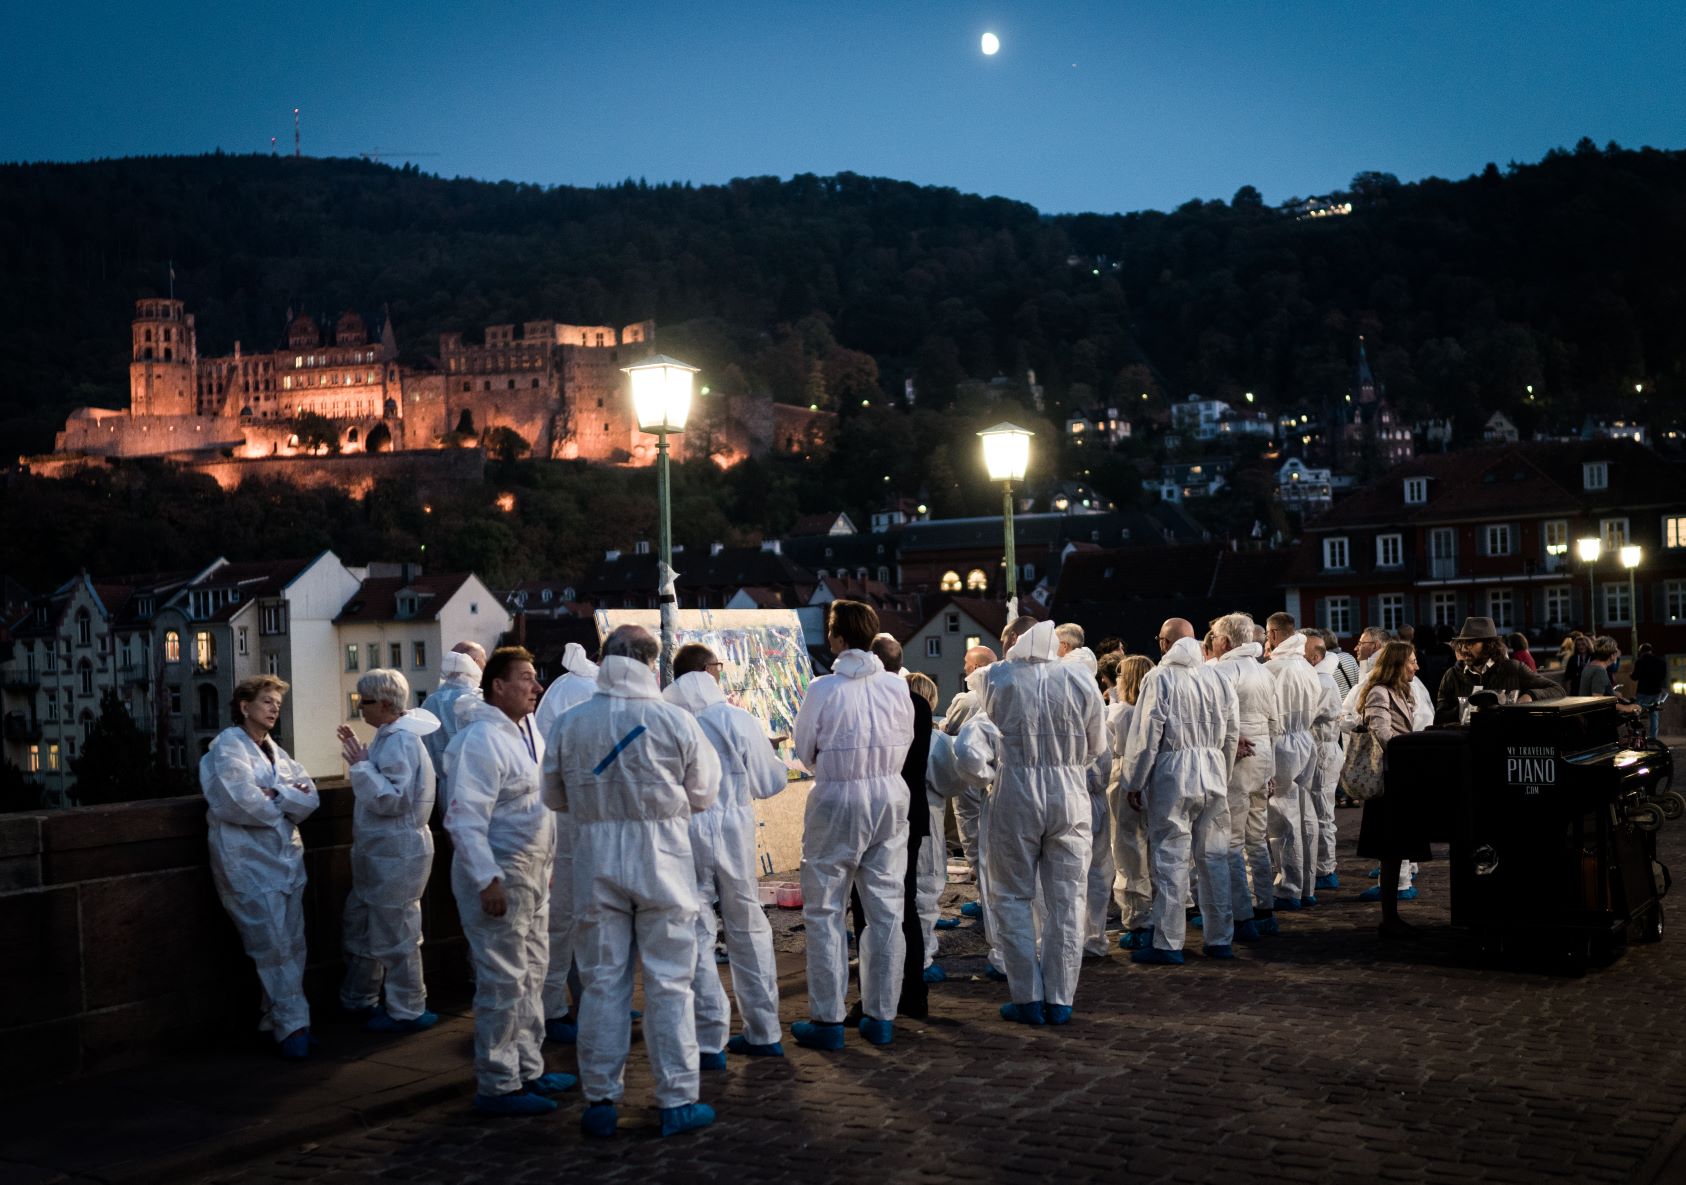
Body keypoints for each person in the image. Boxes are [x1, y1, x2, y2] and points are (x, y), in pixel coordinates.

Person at [549, 625, 722, 1138]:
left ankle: (600, 1099)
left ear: (604, 659)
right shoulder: (675, 720)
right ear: (653, 663)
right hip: (663, 857)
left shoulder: (570, 722)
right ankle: (676, 1099)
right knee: (670, 981)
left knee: (602, 982)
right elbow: (705, 793)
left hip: (593, 856)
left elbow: (554, 796)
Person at [443, 646, 568, 1117]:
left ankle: (529, 1067)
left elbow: (537, 808)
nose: (536, 687)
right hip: (501, 874)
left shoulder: (527, 729)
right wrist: (487, 879)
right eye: (527, 678)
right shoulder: (482, 739)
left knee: (532, 974)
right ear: (498, 685)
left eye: (536, 679)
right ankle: (498, 1082)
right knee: (502, 980)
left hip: (532, 874)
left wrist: (548, 866)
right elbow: (465, 819)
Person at [791, 600, 915, 1050]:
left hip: (837, 797)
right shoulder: (896, 687)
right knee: (885, 909)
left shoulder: (823, 688)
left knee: (824, 909)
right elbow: (907, 738)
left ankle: (827, 1019)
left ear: (837, 637)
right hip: (888, 795)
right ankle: (881, 1015)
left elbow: (805, 751)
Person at [663, 647, 789, 1062]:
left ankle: (708, 1037)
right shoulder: (735, 717)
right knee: (747, 922)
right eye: (719, 667)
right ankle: (764, 1030)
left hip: (683, 826)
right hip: (732, 823)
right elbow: (770, 782)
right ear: (706, 670)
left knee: (694, 926)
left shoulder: (665, 717)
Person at [982, 619, 1106, 1018]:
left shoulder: (997, 677)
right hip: (1069, 791)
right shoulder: (1079, 678)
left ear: (1013, 640)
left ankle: (1027, 996)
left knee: (1013, 895)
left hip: (1016, 790)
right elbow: (1098, 745)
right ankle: (1060, 998)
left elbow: (982, 734)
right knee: (1068, 898)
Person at [200, 675, 319, 1058]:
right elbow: (239, 802)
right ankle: (294, 1026)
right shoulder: (226, 750)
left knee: (292, 944)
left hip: (285, 861)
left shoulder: (274, 751)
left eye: (277, 704)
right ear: (244, 706)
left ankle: (276, 1018)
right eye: (267, 701)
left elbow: (310, 798)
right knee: (271, 946)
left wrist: (276, 794)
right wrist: (286, 798)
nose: (274, 708)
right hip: (247, 863)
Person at [1118, 619, 1239, 965]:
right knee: (1214, 858)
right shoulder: (1218, 676)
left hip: (1174, 772)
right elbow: (1232, 732)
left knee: (1170, 857)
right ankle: (1220, 939)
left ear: (1165, 642)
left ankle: (1169, 941)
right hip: (1213, 768)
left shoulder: (1160, 677)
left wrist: (1135, 781)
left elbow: (1147, 734)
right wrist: (1224, 771)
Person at [337, 668, 441, 1034]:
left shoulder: (400, 741)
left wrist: (361, 766)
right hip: (384, 851)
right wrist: (364, 761)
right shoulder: (391, 736)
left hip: (396, 852)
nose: (360, 709)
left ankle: (407, 1008)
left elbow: (393, 799)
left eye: (363, 702)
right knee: (369, 927)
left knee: (397, 933)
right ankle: (364, 998)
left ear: (384, 703)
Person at [534, 639, 603, 1045]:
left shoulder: (565, 685)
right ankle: (562, 1005)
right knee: (572, 919)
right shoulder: (586, 691)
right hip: (576, 814)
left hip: (567, 810)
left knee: (575, 918)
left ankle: (577, 1000)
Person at [868, 633, 935, 1020]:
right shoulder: (918, 704)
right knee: (905, 902)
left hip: (883, 811)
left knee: (871, 906)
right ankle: (913, 993)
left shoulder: (878, 703)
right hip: (912, 811)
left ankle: (880, 996)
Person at [1355, 642, 1431, 939]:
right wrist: (1410, 749)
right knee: (1390, 849)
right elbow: (1382, 732)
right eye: (1412, 661)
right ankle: (1389, 918)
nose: (1416, 666)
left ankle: (1392, 916)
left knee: (1397, 848)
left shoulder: (1402, 691)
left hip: (1401, 776)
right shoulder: (1379, 692)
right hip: (1389, 780)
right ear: (1398, 664)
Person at [1208, 613, 1275, 938]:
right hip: (1263, 756)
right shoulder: (1262, 671)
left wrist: (1228, 743)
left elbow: (1217, 718)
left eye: (1215, 637)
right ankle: (1265, 907)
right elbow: (1274, 721)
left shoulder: (1223, 670)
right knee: (1257, 836)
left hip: (1238, 758)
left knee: (1231, 839)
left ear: (1226, 641)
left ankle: (1242, 915)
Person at [1263, 622, 1331, 912]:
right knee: (1306, 814)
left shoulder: (1274, 669)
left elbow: (1267, 712)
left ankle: (1288, 887)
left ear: (1276, 635)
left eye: (1268, 634)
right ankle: (1307, 885)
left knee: (1282, 817)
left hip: (1283, 742)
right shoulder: (1306, 667)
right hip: (1305, 738)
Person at [1106, 655, 1156, 950]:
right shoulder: (1147, 710)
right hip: (1151, 775)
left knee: (1127, 848)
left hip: (1123, 774)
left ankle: (1137, 917)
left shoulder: (1121, 713)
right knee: (1151, 847)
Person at [1433, 618, 1566, 723]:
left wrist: (1530, 696)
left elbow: (1557, 690)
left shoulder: (1513, 668)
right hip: (1468, 747)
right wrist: (1465, 708)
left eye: (1471, 643)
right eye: (1462, 644)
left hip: (1506, 744)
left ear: (1489, 645)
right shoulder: (1451, 675)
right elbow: (1439, 718)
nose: (1464, 649)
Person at [943, 644, 997, 903]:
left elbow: (949, 728)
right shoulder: (1003, 694)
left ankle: (984, 899)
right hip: (995, 775)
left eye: (966, 662)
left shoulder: (967, 700)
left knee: (972, 836)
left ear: (976, 667)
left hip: (967, 777)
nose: (963, 667)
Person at [1303, 630, 1346, 905]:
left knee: (1322, 811)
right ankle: (1321, 865)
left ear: (1316, 657)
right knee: (1319, 808)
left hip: (1324, 749)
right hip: (1322, 748)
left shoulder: (1324, 681)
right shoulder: (1322, 678)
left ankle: (1326, 868)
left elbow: (1306, 715)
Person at [424, 641, 485, 807]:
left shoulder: (430, 702)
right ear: (476, 663)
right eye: (484, 660)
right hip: (479, 789)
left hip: (444, 790)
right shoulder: (479, 699)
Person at [1634, 643, 1668, 740]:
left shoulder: (1640, 661)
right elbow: (1663, 676)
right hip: (1655, 691)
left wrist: (1631, 676)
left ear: (1641, 651)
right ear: (1651, 650)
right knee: (1654, 715)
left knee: (1636, 712)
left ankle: (1636, 734)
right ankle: (1653, 737)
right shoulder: (1660, 661)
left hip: (1642, 691)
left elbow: (1635, 676)